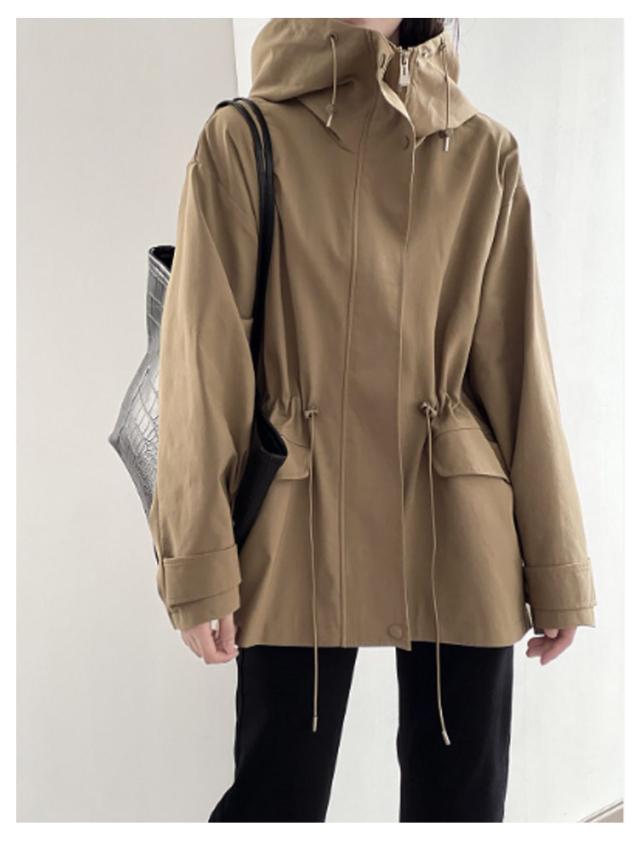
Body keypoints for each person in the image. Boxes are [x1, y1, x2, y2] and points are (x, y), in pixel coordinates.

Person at [147, 17, 597, 822]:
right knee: (275, 804)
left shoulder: (483, 150)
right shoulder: (244, 139)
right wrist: (198, 558)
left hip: (459, 519)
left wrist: (556, 562)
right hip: (297, 515)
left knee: (461, 813)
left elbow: (520, 372)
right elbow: (202, 368)